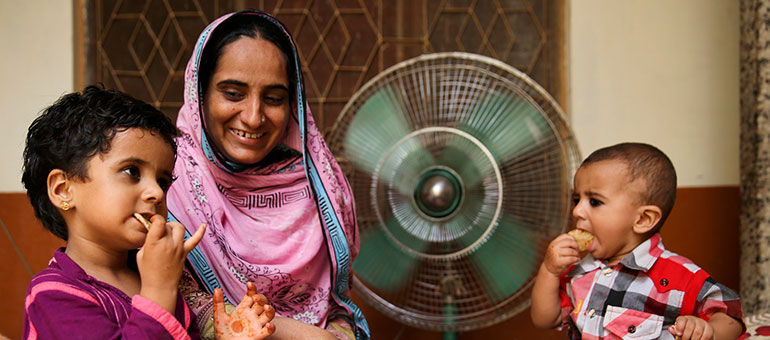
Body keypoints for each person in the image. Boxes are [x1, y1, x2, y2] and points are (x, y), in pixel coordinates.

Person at [166, 9, 369, 340]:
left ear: (293, 104)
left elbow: (336, 306)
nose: (254, 116)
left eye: (273, 99)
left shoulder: (322, 186)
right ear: (199, 93)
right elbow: (169, 303)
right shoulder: (166, 182)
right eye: (233, 94)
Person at [21, 85, 276, 339]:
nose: (156, 192)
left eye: (163, 181)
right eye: (132, 171)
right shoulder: (53, 294)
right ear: (63, 190)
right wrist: (159, 289)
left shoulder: (153, 275)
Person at [530, 142, 745, 340]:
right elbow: (545, 319)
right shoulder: (580, 272)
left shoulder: (678, 276)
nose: (577, 211)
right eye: (577, 199)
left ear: (643, 219)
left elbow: (731, 315)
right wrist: (549, 271)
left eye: (594, 201)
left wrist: (708, 330)